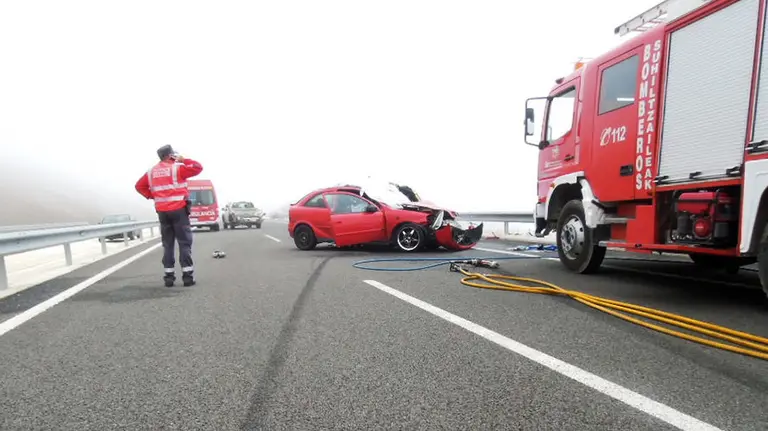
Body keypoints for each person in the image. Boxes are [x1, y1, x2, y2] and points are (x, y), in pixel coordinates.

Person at [135, 145, 203, 287]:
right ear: (171, 155)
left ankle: (169, 277)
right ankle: (187, 277)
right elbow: (197, 167)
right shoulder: (177, 168)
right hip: (179, 211)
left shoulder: (151, 172)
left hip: (162, 212)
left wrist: (153, 196)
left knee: (168, 245)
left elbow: (139, 186)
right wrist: (183, 159)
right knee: (184, 243)